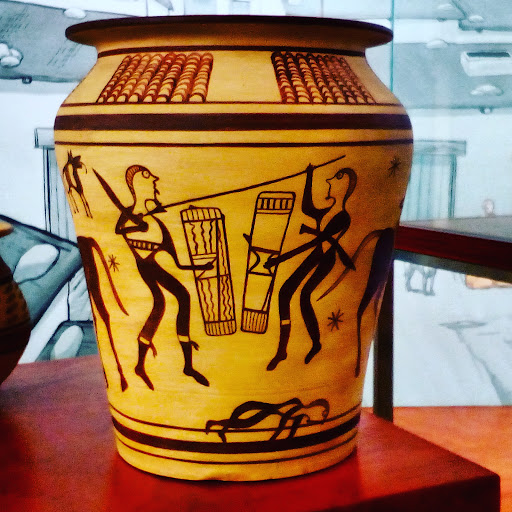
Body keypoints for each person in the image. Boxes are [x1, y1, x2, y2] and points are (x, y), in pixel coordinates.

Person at [113, 165, 212, 388]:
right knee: (169, 300)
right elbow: (119, 231)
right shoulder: (130, 216)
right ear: (137, 183)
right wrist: (137, 227)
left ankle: (177, 363)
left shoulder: (157, 225)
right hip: (145, 266)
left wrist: (201, 266)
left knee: (171, 300)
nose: (155, 182)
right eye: (149, 178)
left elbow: (178, 263)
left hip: (151, 265)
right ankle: (150, 364)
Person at [265, 164, 357, 371]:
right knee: (284, 292)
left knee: (304, 296)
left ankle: (316, 343)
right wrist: (309, 175)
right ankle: (282, 350)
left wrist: (279, 260)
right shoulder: (326, 211)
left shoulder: (343, 217)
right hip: (316, 254)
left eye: (335, 180)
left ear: (344, 188)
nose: (329, 183)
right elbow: (307, 207)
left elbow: (317, 241)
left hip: (326, 259)